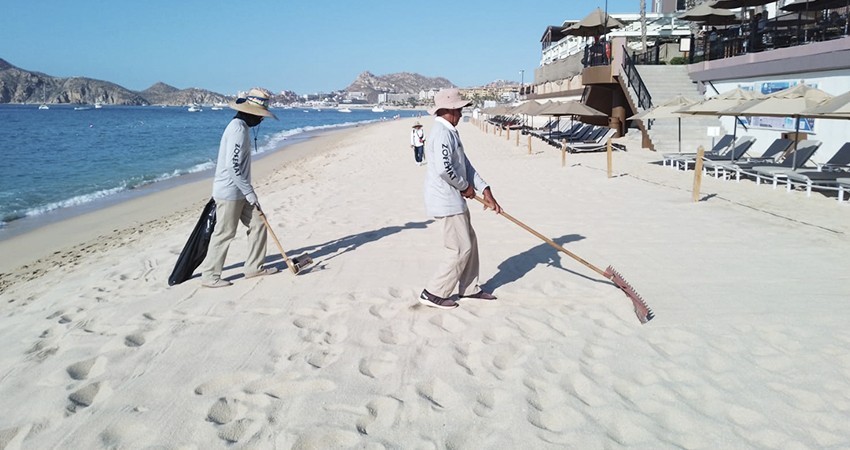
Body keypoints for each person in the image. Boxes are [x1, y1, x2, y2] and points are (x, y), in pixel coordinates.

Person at [419, 88, 502, 309]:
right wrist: (465, 187)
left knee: (470, 243)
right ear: (449, 110)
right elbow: (444, 169)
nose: (462, 112)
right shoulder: (441, 133)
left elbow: (464, 164)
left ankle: (469, 288)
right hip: (446, 200)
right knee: (458, 248)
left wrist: (485, 189)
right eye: (460, 109)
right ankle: (433, 292)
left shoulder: (451, 131)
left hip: (455, 199)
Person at [199, 88, 279, 288]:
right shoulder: (237, 129)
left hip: (241, 191)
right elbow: (232, 167)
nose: (261, 120)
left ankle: (254, 267)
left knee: (259, 224)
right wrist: (250, 193)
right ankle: (210, 276)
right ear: (249, 112)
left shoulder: (242, 127)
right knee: (225, 233)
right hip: (229, 193)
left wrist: (248, 192)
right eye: (259, 116)